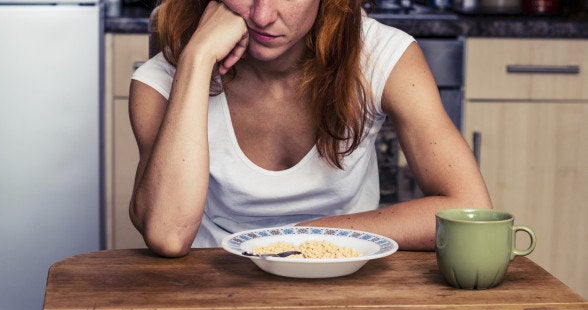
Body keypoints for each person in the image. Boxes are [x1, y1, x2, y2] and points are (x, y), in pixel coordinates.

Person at [128, 0, 492, 257]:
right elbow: (168, 237)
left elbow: (468, 207)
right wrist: (196, 59)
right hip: (212, 281)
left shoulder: (381, 54)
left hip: (342, 270)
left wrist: (305, 238)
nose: (263, 15)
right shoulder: (159, 81)